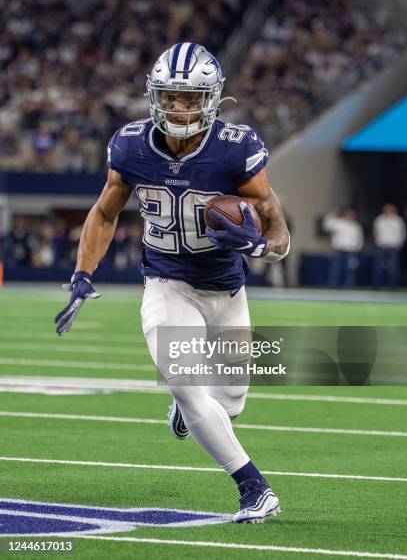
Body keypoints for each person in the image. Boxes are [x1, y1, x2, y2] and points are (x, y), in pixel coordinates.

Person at [54, 43, 290, 523]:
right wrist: (82, 273)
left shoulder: (236, 148)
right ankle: (254, 488)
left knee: (229, 402)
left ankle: (190, 413)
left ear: (212, 97)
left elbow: (275, 222)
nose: (179, 107)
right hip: (166, 281)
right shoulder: (132, 145)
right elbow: (104, 212)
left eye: (190, 97)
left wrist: (263, 247)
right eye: (170, 96)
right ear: (153, 95)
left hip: (227, 286)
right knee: (184, 381)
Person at [323, 208, 363, 288]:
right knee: (335, 269)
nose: (350, 216)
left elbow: (359, 238)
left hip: (351, 251)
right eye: (348, 214)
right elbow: (326, 226)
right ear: (345, 215)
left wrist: (358, 248)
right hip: (339, 250)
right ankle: (332, 287)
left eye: (352, 215)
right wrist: (330, 215)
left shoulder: (356, 226)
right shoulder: (339, 223)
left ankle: (348, 288)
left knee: (349, 271)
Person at [372, 204, 406, 290]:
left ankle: (392, 286)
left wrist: (399, 244)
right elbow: (375, 232)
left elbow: (402, 234)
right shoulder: (379, 220)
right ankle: (377, 286)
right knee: (378, 267)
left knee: (393, 268)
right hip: (382, 246)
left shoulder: (398, 220)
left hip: (393, 247)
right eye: (387, 210)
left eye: (391, 210)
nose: (389, 212)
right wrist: (378, 242)